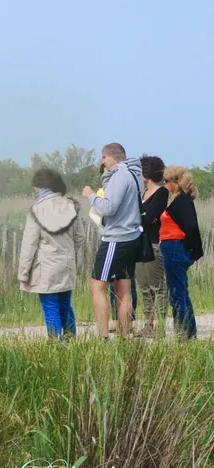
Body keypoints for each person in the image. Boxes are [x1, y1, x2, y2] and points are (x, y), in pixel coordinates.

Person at [82, 143, 144, 339]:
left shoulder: (120, 176)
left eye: (103, 158)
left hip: (116, 238)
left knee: (97, 286)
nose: (102, 162)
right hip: (131, 237)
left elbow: (108, 208)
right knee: (123, 287)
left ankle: (102, 336)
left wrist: (90, 195)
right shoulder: (135, 174)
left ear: (111, 157)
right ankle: (125, 335)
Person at [17, 168, 85, 340]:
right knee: (65, 305)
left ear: (38, 186)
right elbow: (80, 237)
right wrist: (68, 251)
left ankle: (56, 346)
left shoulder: (36, 209)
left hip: (46, 267)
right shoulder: (70, 206)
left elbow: (29, 245)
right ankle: (71, 343)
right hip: (67, 264)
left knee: (50, 307)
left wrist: (23, 273)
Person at [161, 166, 204, 340]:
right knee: (182, 291)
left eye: (166, 181)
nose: (164, 184)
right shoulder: (177, 199)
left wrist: (191, 252)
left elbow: (191, 226)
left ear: (176, 182)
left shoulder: (182, 201)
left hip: (174, 247)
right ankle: (189, 333)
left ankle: (183, 334)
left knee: (176, 292)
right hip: (172, 247)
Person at [134, 155, 169, 337]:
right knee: (144, 286)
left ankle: (161, 326)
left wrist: (142, 215)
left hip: (154, 243)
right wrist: (144, 215)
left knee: (159, 287)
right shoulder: (142, 193)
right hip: (140, 243)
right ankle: (148, 323)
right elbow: (145, 217)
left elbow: (148, 217)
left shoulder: (161, 193)